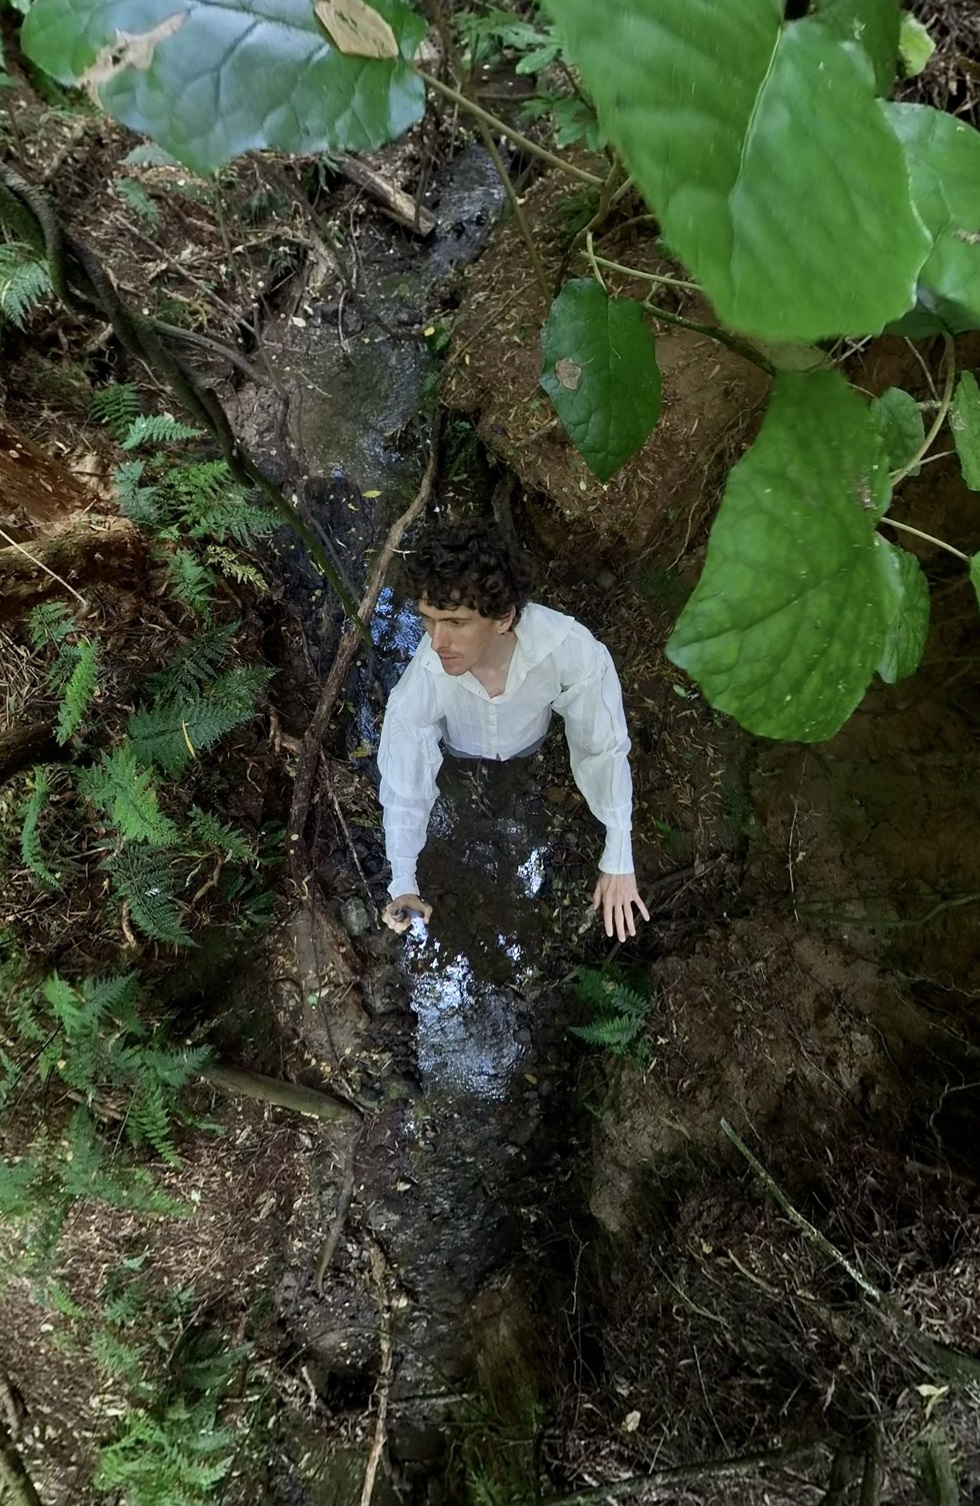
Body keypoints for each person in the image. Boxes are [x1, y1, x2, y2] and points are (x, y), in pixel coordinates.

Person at [377, 523, 649, 942]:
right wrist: (403, 881)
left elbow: (603, 745)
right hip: (461, 748)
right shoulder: (423, 682)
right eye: (428, 620)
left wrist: (618, 850)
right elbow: (404, 780)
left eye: (456, 622)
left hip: (528, 741)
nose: (436, 642)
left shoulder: (566, 649)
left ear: (504, 617)